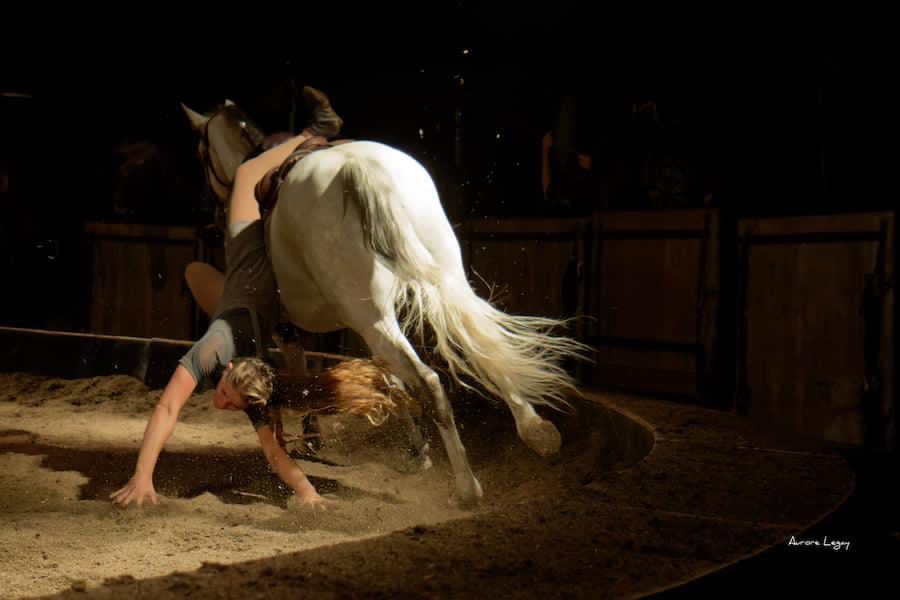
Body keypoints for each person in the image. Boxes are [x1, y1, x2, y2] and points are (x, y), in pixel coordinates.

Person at [110, 87, 384, 511]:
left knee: (200, 275)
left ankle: (318, 132)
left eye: (226, 401)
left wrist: (309, 495)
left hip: (256, 299)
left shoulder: (253, 383)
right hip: (247, 251)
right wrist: (141, 477)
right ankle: (318, 131)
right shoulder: (219, 347)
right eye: (224, 395)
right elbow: (168, 408)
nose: (218, 402)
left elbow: (274, 454)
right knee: (243, 177)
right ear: (232, 366)